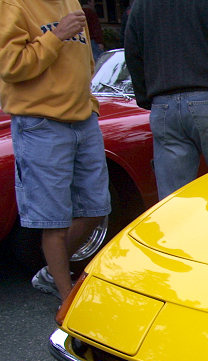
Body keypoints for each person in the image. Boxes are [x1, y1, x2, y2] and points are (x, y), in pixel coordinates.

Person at [0, 1, 110, 301]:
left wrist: (90, 104)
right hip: (40, 123)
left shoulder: (70, 2)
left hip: (83, 120)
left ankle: (51, 274)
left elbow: (84, 61)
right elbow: (10, 66)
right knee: (53, 221)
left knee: (97, 208)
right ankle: (66, 297)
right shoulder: (13, 5)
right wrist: (56, 35)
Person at [125, 0, 208, 199]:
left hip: (164, 101)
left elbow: (132, 52)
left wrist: (147, 96)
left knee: (173, 198)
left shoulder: (142, 4)